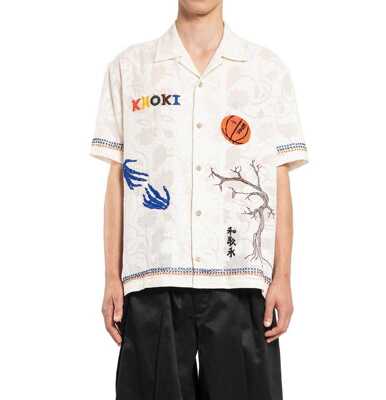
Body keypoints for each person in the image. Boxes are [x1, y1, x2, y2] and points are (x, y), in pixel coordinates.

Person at [90, 1, 308, 399]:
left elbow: (279, 180)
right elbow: (117, 181)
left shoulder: (266, 70)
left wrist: (283, 276)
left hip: (240, 279)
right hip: (153, 278)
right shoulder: (130, 69)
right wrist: (110, 277)